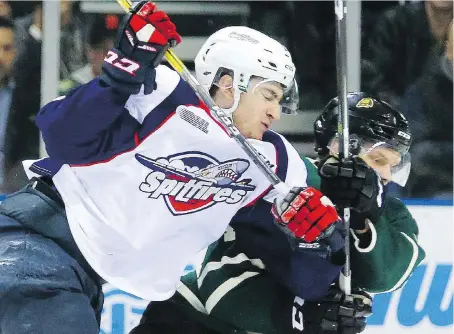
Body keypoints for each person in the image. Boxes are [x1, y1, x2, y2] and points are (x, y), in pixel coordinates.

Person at [0, 2, 346, 333]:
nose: (276, 111)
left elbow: (305, 283)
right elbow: (60, 136)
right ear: (229, 83)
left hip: (76, 276)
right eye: (269, 94)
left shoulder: (273, 166)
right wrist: (121, 73)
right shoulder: (161, 93)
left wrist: (317, 244)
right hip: (35, 245)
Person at [131, 92, 426, 334]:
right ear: (339, 148)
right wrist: (297, 316)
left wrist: (364, 218)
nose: (386, 175)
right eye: (378, 159)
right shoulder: (284, 178)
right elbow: (219, 284)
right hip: (191, 323)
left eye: (393, 164)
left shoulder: (391, 215)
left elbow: (386, 277)